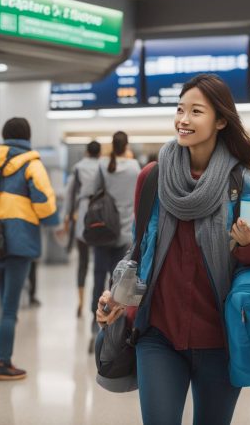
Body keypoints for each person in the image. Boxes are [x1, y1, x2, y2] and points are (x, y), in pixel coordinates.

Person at [96, 74, 250, 425]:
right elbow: (138, 250)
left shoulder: (241, 183)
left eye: (196, 111)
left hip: (220, 339)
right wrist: (117, 297)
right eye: (180, 109)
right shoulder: (151, 177)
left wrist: (248, 244)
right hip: (158, 336)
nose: (183, 119)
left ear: (221, 120)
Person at [0, 117, 59, 380]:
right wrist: (50, 221)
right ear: (27, 136)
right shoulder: (31, 163)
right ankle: (4, 364)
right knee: (10, 309)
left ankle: (4, 357)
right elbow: (44, 202)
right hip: (18, 242)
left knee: (5, 305)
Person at [89, 131, 140, 352]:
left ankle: (96, 322)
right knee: (117, 280)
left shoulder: (102, 165)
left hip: (103, 229)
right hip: (125, 231)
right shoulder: (135, 167)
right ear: (126, 146)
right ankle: (115, 323)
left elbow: (92, 191)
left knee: (98, 276)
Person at [61, 140, 101, 317]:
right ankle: (100, 303)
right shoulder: (105, 166)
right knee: (100, 264)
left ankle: (80, 302)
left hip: (83, 217)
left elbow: (70, 195)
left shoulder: (78, 168)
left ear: (86, 152)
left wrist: (67, 217)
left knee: (82, 264)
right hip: (101, 216)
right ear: (99, 153)